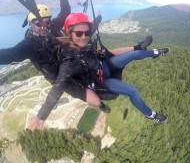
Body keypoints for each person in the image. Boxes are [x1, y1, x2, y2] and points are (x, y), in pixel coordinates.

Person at [29, 12, 169, 130]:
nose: (84, 36)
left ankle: (154, 53)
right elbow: (58, 87)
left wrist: (98, 19)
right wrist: (42, 115)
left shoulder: (82, 40)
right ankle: (150, 115)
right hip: (101, 81)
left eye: (86, 33)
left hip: (103, 66)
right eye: (78, 33)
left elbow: (91, 28)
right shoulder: (68, 62)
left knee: (132, 54)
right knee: (132, 90)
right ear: (70, 33)